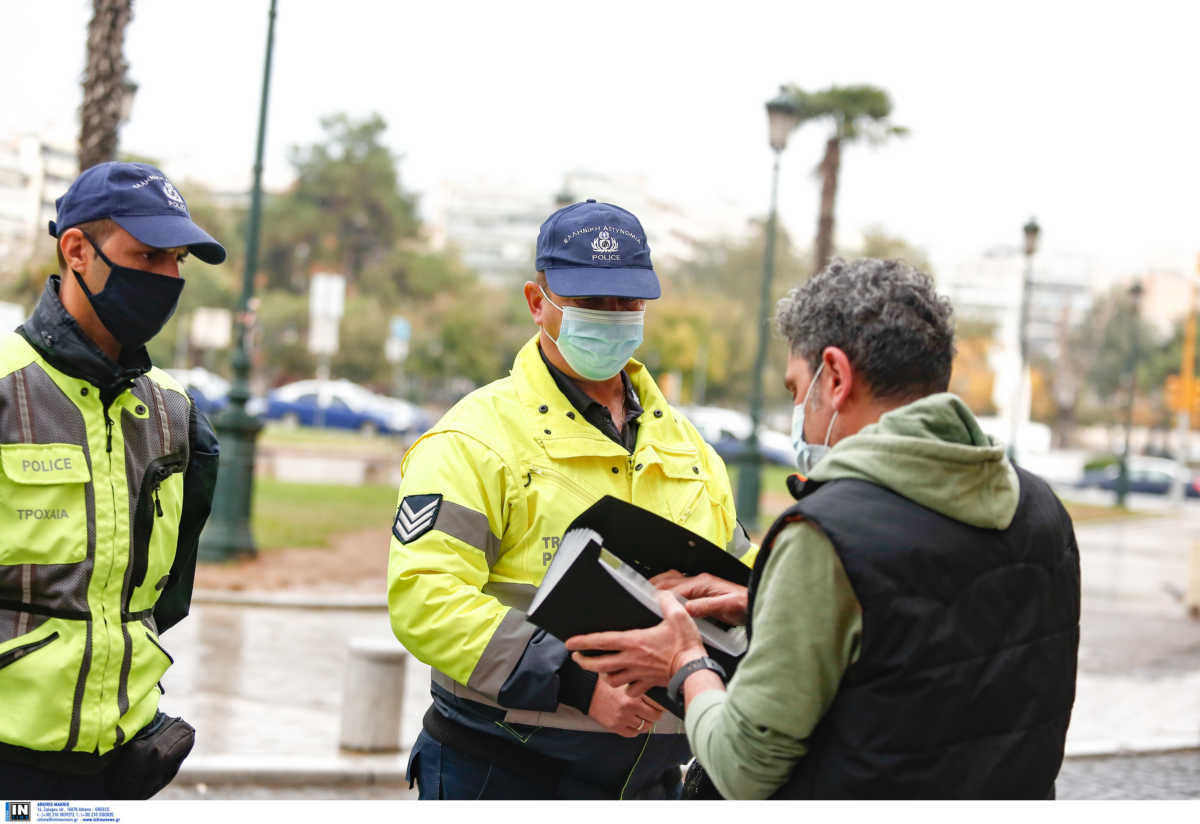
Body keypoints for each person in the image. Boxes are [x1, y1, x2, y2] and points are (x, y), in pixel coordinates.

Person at [567, 258, 1081, 799]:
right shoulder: (1042, 509)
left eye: (795, 390)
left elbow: (742, 767)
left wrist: (684, 661)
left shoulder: (826, 534)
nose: (798, 414)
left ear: (834, 377)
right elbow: (930, 645)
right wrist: (771, 601)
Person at [387, 199, 754, 799]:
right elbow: (425, 599)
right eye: (589, 302)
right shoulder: (473, 438)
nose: (611, 317)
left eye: (626, 303)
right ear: (538, 302)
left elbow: (740, 567)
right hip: (501, 776)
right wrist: (576, 684)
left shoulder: (686, 445)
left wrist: (756, 595)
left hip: (648, 784)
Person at [0, 161, 226, 798]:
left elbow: (167, 599)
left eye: (177, 260)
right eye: (149, 255)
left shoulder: (179, 419)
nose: (168, 278)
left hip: (126, 763)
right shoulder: (5, 389)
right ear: (77, 250)